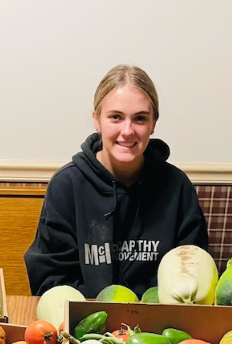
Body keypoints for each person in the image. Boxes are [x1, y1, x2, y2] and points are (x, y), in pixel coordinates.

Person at [24, 64, 209, 298]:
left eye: (140, 118)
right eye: (115, 117)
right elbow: (50, 281)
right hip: (86, 324)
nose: (127, 131)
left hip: (159, 324)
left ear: (153, 124)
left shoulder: (177, 186)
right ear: (97, 120)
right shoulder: (67, 185)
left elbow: (195, 271)